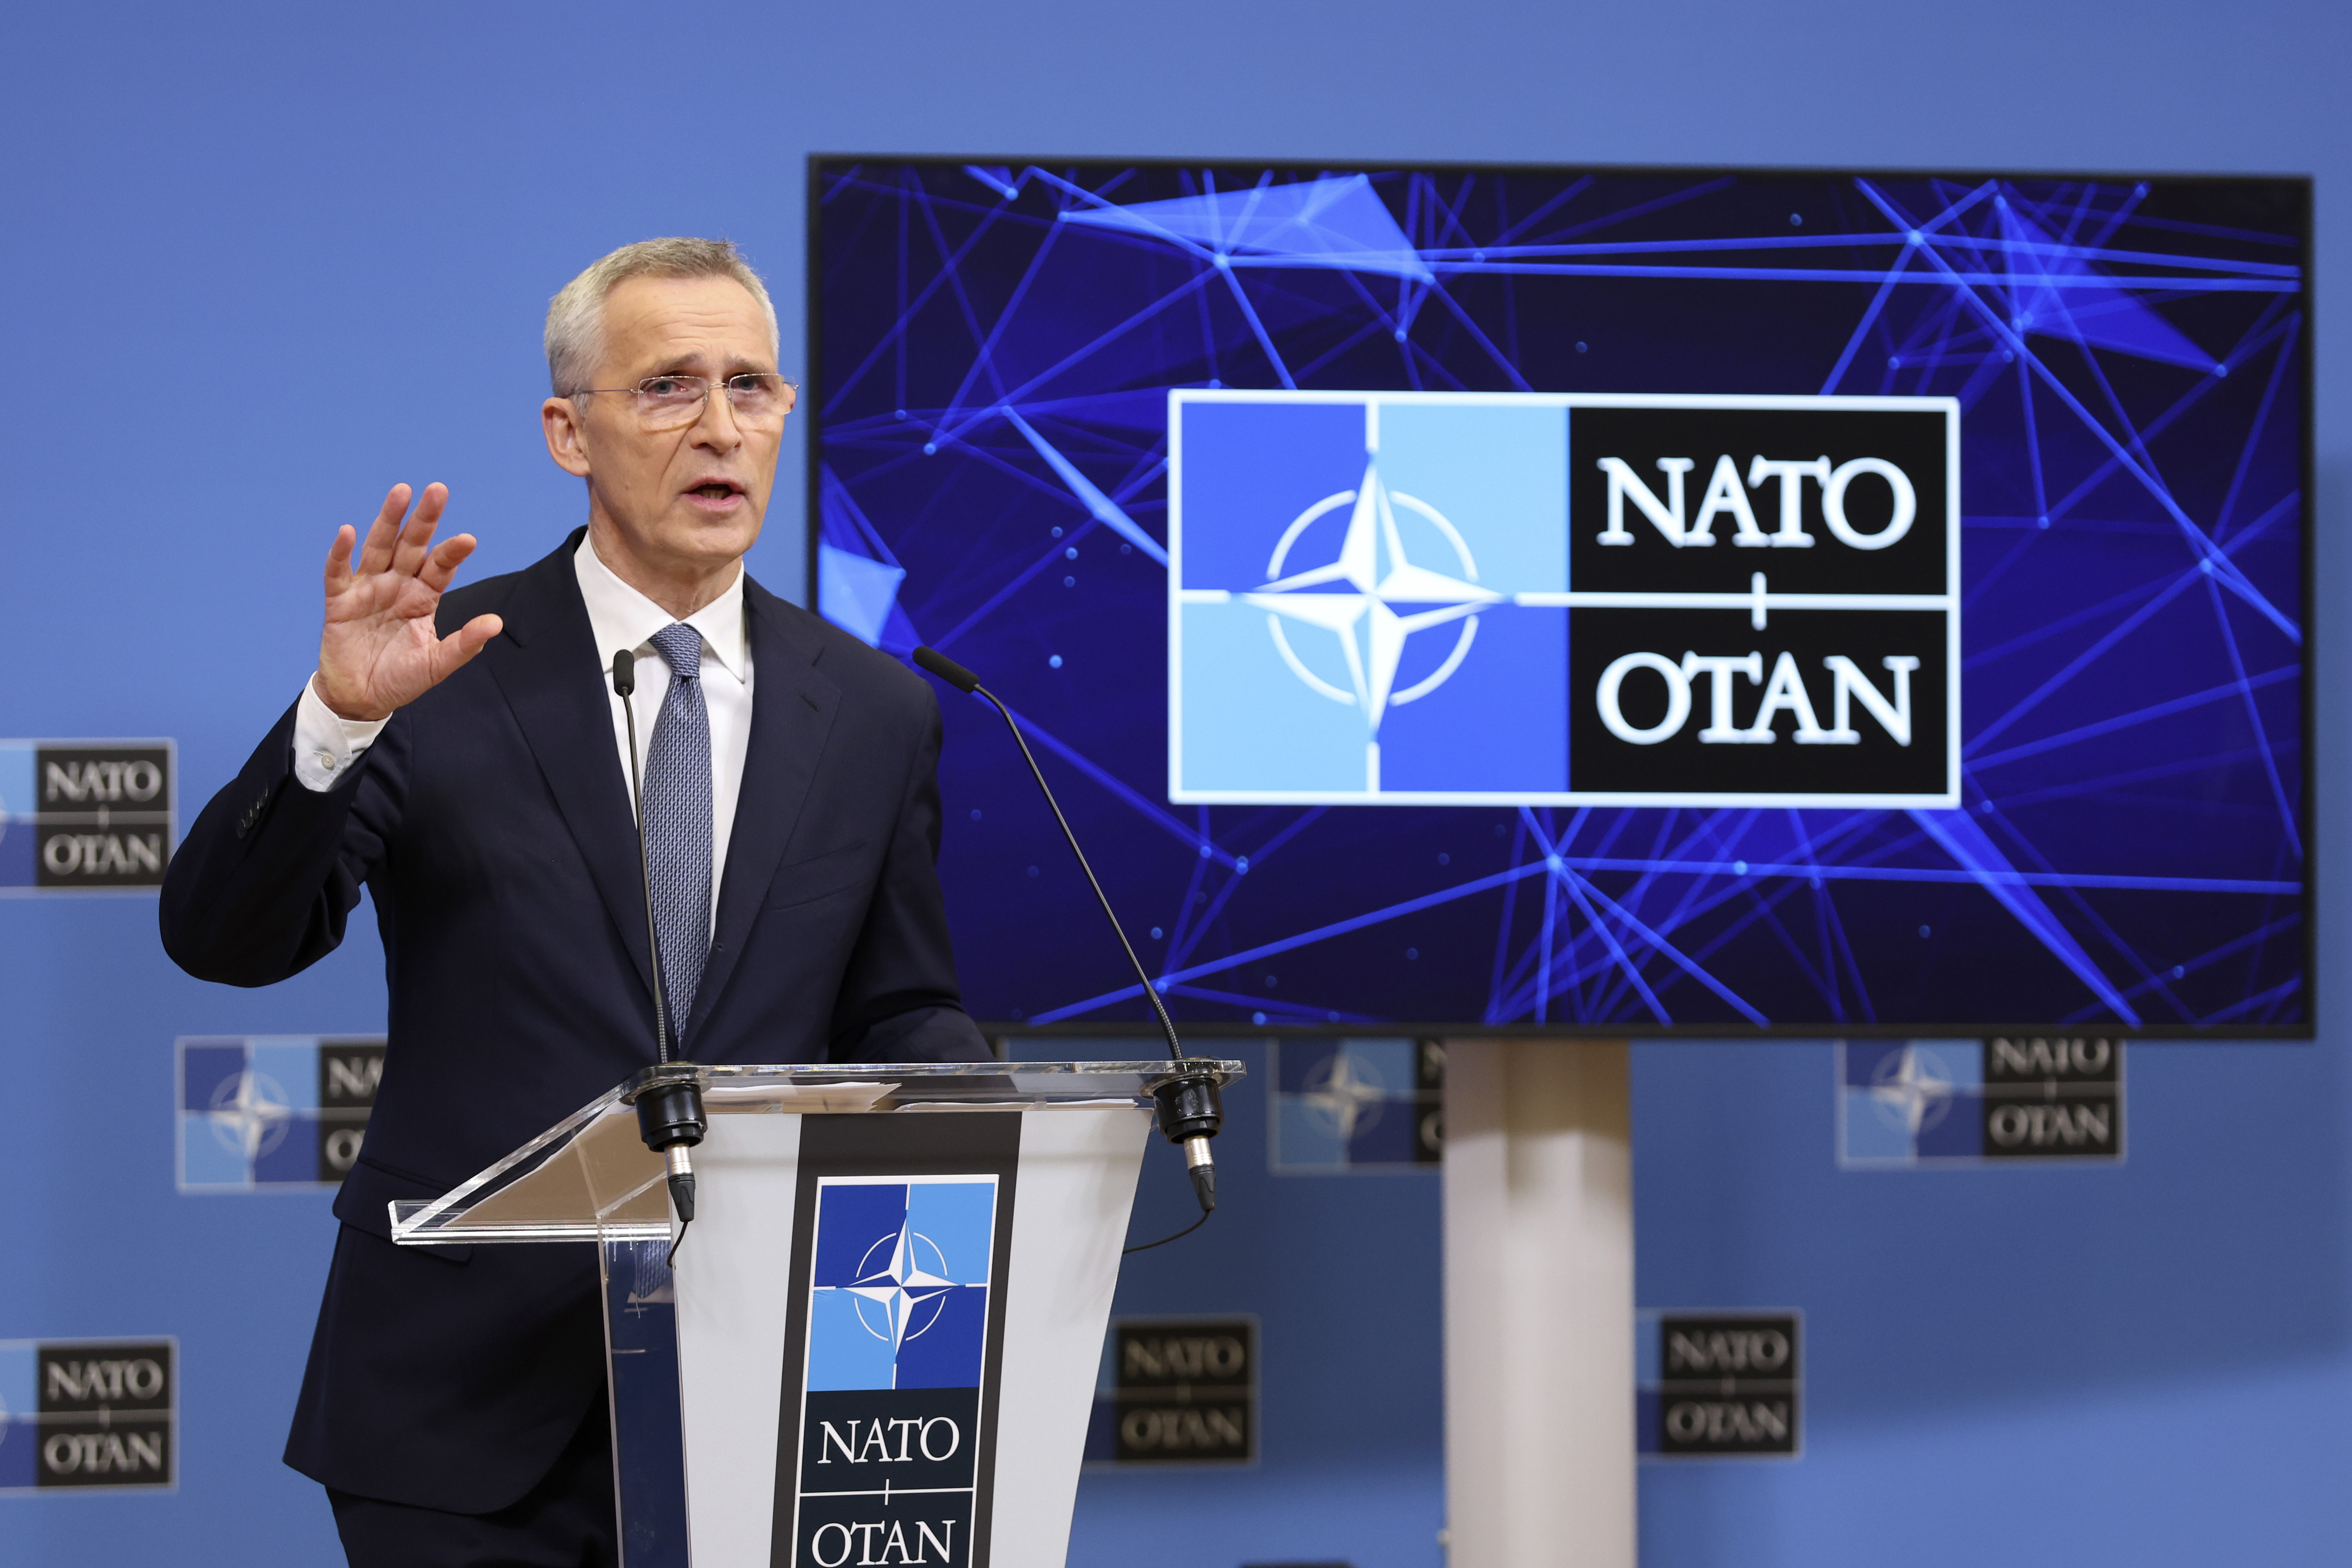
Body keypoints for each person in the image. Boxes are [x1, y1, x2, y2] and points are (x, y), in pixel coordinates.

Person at [159, 237, 990, 1567]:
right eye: (667, 387)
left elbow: (900, 1003)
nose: (720, 426)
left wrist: (995, 1133)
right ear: (568, 432)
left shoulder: (876, 708)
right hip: (462, 1398)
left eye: (752, 387)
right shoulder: (442, 668)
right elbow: (225, 941)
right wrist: (334, 726)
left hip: (765, 1385)